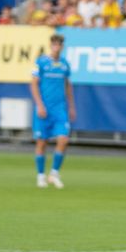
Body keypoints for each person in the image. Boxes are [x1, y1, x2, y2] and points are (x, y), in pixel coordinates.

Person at [30, 33, 75, 188]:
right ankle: (41, 175)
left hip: (60, 109)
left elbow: (68, 85)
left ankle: (54, 173)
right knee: (42, 142)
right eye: (54, 44)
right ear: (51, 45)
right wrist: (39, 105)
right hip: (44, 108)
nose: (57, 47)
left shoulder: (65, 64)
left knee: (63, 139)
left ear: (62, 47)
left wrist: (71, 106)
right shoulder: (41, 62)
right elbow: (34, 84)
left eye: (59, 44)